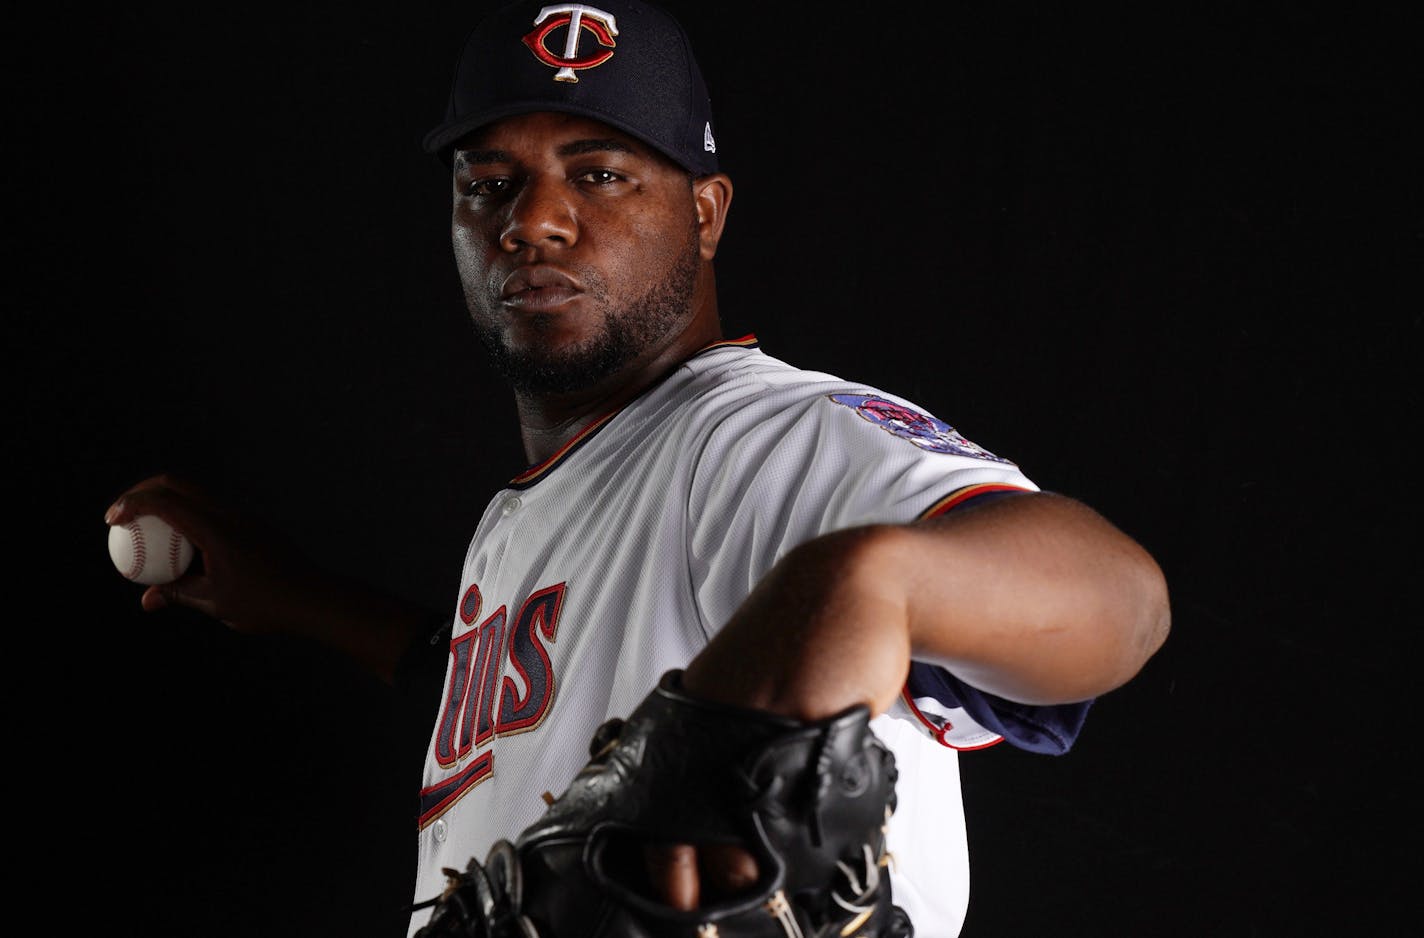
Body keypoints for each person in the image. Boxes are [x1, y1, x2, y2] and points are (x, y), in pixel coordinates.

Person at [104, 1, 1170, 935]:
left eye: (599, 173)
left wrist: (863, 584)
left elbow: (1110, 601)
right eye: (490, 182)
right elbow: (529, 706)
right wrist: (291, 597)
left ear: (703, 214)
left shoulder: (748, 438)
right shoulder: (535, 508)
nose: (533, 220)